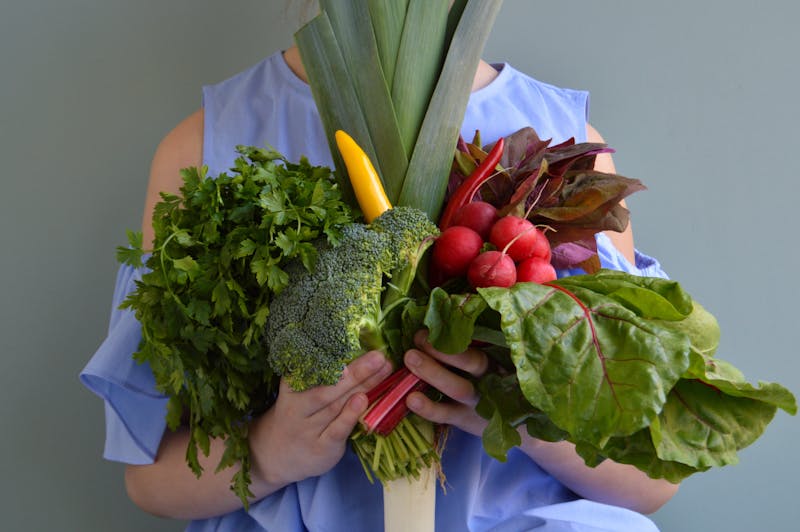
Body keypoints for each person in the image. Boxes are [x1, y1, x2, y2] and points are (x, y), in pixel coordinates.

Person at [81, 8, 679, 531]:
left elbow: (652, 480)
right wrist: (272, 451)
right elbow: (150, 480)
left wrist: (516, 418)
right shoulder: (203, 147)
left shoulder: (567, 148)